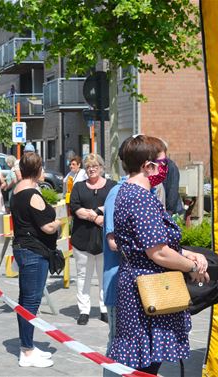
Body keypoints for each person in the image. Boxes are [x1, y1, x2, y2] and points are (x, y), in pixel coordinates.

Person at [107, 135, 209, 375]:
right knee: (145, 365)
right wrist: (191, 267)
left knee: (142, 363)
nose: (167, 167)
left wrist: (188, 254)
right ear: (147, 166)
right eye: (163, 162)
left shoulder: (127, 192)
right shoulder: (141, 198)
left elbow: (150, 244)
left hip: (139, 285)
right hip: (148, 290)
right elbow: (158, 253)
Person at [10, 151, 61, 368]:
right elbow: (47, 226)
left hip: (24, 248)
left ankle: (27, 345)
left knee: (26, 300)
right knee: (30, 302)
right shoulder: (32, 194)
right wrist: (60, 221)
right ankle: (27, 351)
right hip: (33, 251)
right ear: (38, 170)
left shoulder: (17, 190)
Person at [69, 153, 115, 325]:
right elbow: (75, 207)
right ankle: (84, 310)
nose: (92, 169)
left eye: (95, 166)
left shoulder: (111, 186)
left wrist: (95, 211)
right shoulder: (79, 187)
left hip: (104, 240)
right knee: (83, 275)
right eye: (88, 167)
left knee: (104, 275)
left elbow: (114, 204)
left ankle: (104, 308)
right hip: (82, 239)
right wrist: (95, 217)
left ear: (102, 168)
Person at [101, 137, 133, 377]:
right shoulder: (117, 193)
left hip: (138, 287)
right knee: (117, 344)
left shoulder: (146, 192)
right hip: (118, 284)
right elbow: (113, 241)